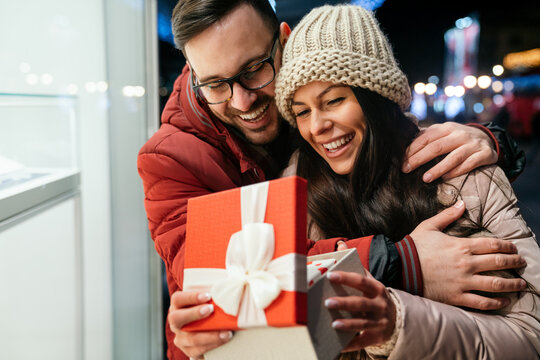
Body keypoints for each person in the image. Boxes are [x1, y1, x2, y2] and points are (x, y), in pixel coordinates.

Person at [137, 1, 526, 359]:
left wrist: (490, 140)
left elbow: (378, 117)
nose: (242, 101)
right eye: (216, 85)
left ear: (285, 43)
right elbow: (232, 282)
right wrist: (399, 260)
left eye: (255, 69)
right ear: (194, 78)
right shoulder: (170, 159)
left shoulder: (301, 99)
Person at [274, 4, 540, 358]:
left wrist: (400, 324)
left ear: (376, 97)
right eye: (302, 110)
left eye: (334, 100)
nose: (317, 126)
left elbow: (529, 335)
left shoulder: (459, 170)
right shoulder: (294, 191)